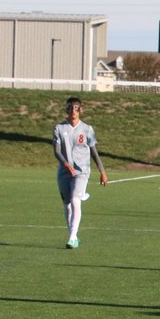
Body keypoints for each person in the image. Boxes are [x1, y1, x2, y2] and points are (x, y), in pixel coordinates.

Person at [51, 97, 107, 249]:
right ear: (67, 110)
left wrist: (102, 171)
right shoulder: (59, 128)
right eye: (71, 108)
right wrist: (65, 164)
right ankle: (73, 236)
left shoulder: (87, 129)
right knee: (67, 204)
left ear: (81, 110)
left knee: (75, 199)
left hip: (82, 171)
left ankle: (72, 236)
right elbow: (56, 151)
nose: (74, 111)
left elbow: (94, 153)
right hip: (64, 171)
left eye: (77, 109)